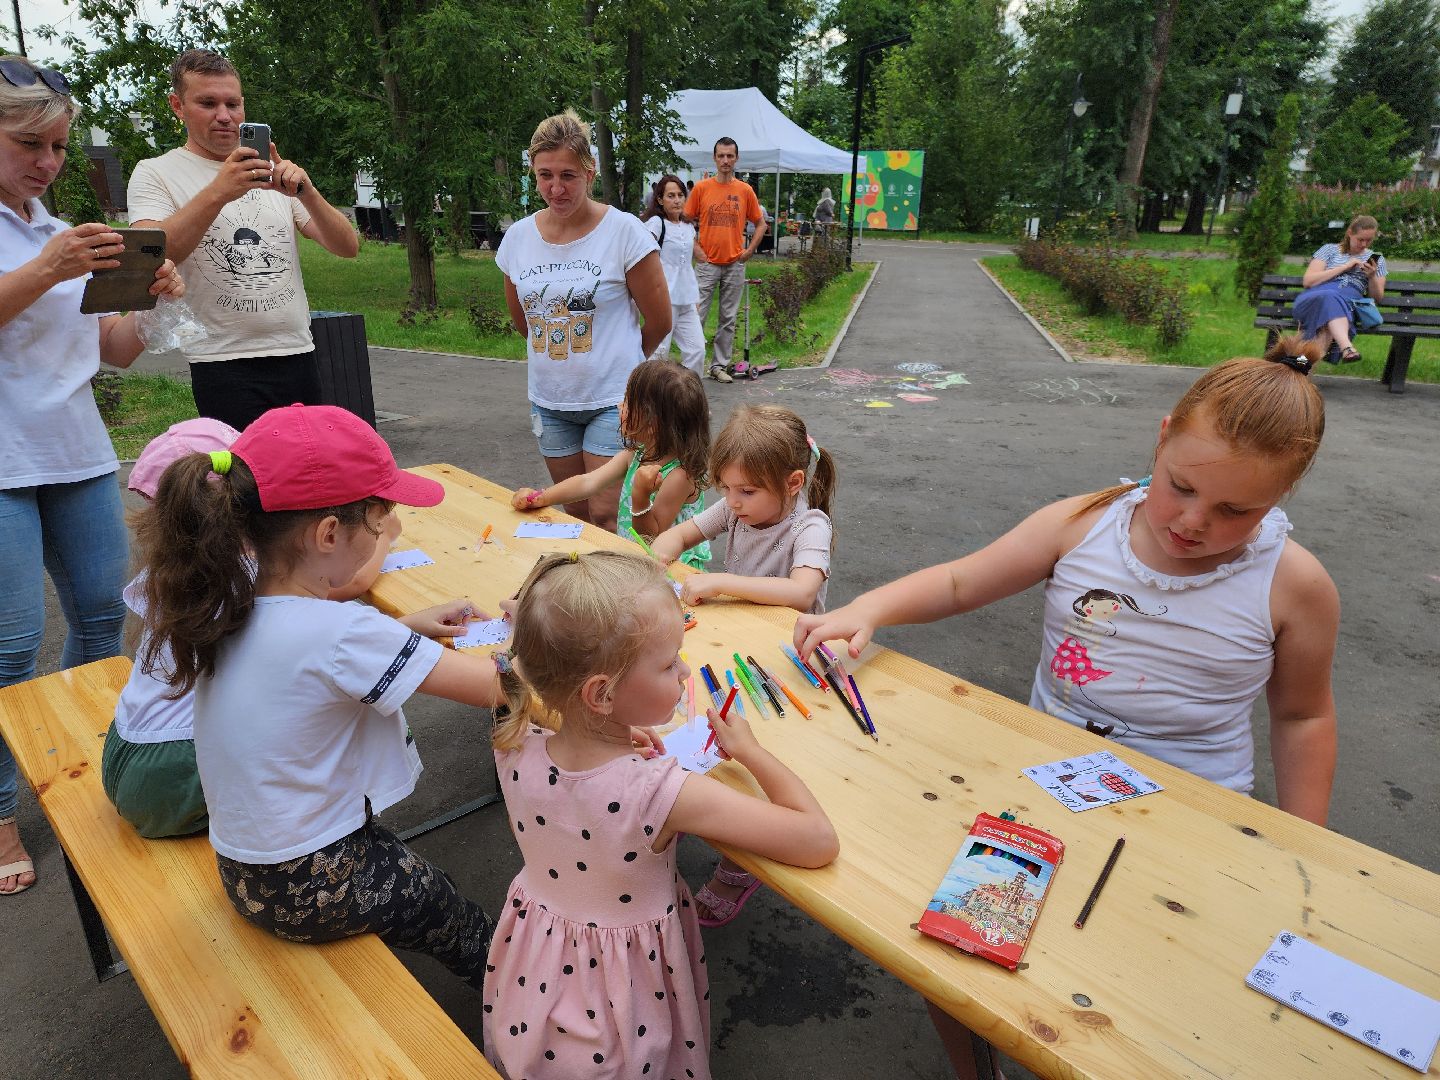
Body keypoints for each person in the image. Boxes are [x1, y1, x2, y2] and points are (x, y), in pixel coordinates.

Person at [794, 338, 1340, 1078]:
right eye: (1180, 485)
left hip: (1194, 824)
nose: (1193, 521)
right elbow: (961, 581)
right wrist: (871, 606)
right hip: (1041, 788)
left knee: (1145, 996)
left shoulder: (1294, 585)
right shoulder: (1083, 526)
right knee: (957, 942)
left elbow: (1303, 716)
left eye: (1235, 509)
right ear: (1162, 436)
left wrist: (1311, 855)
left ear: (1281, 497)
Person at [134, 404, 503, 986]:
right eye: (380, 524)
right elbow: (498, 688)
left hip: (247, 868)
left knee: (408, 871)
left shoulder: (230, 602)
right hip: (308, 880)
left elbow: (306, 662)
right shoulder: (344, 633)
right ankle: (521, 1004)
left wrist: (404, 631)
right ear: (329, 533)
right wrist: (538, 629)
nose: (387, 533)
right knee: (451, 908)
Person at [481, 550, 838, 1079]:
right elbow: (817, 840)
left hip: (533, 970)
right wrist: (752, 753)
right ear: (601, 693)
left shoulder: (512, 743)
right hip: (620, 997)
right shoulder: (663, 791)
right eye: (670, 663)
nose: (685, 670)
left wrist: (620, 738)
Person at [0, 54, 185, 895]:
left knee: (107, 616)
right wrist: (51, 268)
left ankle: (71, 757)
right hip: (1, 464)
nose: (48, 162)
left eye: (61, 147)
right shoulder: (45, 248)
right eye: (30, 143)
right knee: (7, 647)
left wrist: (147, 297)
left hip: (73, 451)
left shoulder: (51, 230)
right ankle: (1, 811)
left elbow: (106, 352)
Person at [101, 417, 413, 838]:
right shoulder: (246, 572)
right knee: (347, 703)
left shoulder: (180, 572)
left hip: (126, 750)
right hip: (174, 770)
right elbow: (345, 591)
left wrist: (409, 628)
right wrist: (384, 538)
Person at [650, 404, 837, 925]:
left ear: (794, 482)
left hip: (791, 665)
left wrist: (719, 582)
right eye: (726, 489)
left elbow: (802, 591)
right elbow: (680, 535)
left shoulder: (810, 525)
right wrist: (657, 557)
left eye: (746, 492)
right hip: (736, 651)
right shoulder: (735, 507)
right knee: (714, 739)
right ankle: (697, 811)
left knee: (768, 757)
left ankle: (741, 864)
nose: (731, 502)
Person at [126, 49, 360, 431]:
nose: (224, 116)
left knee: (305, 479)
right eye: (207, 103)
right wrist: (219, 191)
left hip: (297, 351)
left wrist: (308, 193)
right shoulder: (156, 172)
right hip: (222, 360)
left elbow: (347, 246)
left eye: (232, 103)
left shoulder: (267, 171)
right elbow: (149, 253)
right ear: (177, 106)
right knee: (245, 485)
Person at [497, 110, 671, 532]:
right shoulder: (518, 238)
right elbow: (526, 323)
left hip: (613, 401)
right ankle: (582, 598)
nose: (556, 188)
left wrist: (621, 360)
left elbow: (660, 320)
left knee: (607, 515)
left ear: (590, 171)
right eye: (545, 175)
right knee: (573, 514)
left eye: (569, 175)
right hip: (550, 401)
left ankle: (612, 599)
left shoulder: (625, 233)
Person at [511, 360, 711, 567]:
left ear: (652, 425)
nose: (619, 406)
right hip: (639, 562)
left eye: (627, 402)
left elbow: (653, 541)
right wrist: (542, 497)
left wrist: (640, 495)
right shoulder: (636, 454)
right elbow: (588, 482)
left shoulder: (679, 475)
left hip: (674, 572)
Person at [684, 138, 766, 383]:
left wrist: (750, 249)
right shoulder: (701, 189)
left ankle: (719, 366)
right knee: (697, 315)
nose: (725, 161)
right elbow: (684, 221)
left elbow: (761, 223)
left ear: (736, 159)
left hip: (734, 263)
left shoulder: (744, 190)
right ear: (714, 158)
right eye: (721, 156)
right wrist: (695, 247)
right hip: (707, 263)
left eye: (730, 156)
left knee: (728, 319)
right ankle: (691, 370)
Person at [1292, 214, 1387, 364]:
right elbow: (1308, 281)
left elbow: (1377, 298)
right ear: (1350, 233)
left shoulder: (1377, 260)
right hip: (1314, 299)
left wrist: (1372, 277)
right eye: (1360, 239)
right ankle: (1346, 347)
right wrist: (1344, 267)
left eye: (1369, 240)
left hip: (1345, 306)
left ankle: (1300, 369)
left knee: (1325, 330)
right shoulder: (1329, 250)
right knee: (1330, 296)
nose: (1364, 244)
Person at [641, 175, 704, 376]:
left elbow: (687, 265)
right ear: (660, 199)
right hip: (664, 298)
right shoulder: (656, 224)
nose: (676, 200)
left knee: (697, 350)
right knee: (658, 353)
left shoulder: (688, 227)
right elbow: (643, 259)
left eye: (680, 195)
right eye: (670, 196)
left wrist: (695, 297)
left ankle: (689, 399)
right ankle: (648, 399)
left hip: (686, 300)